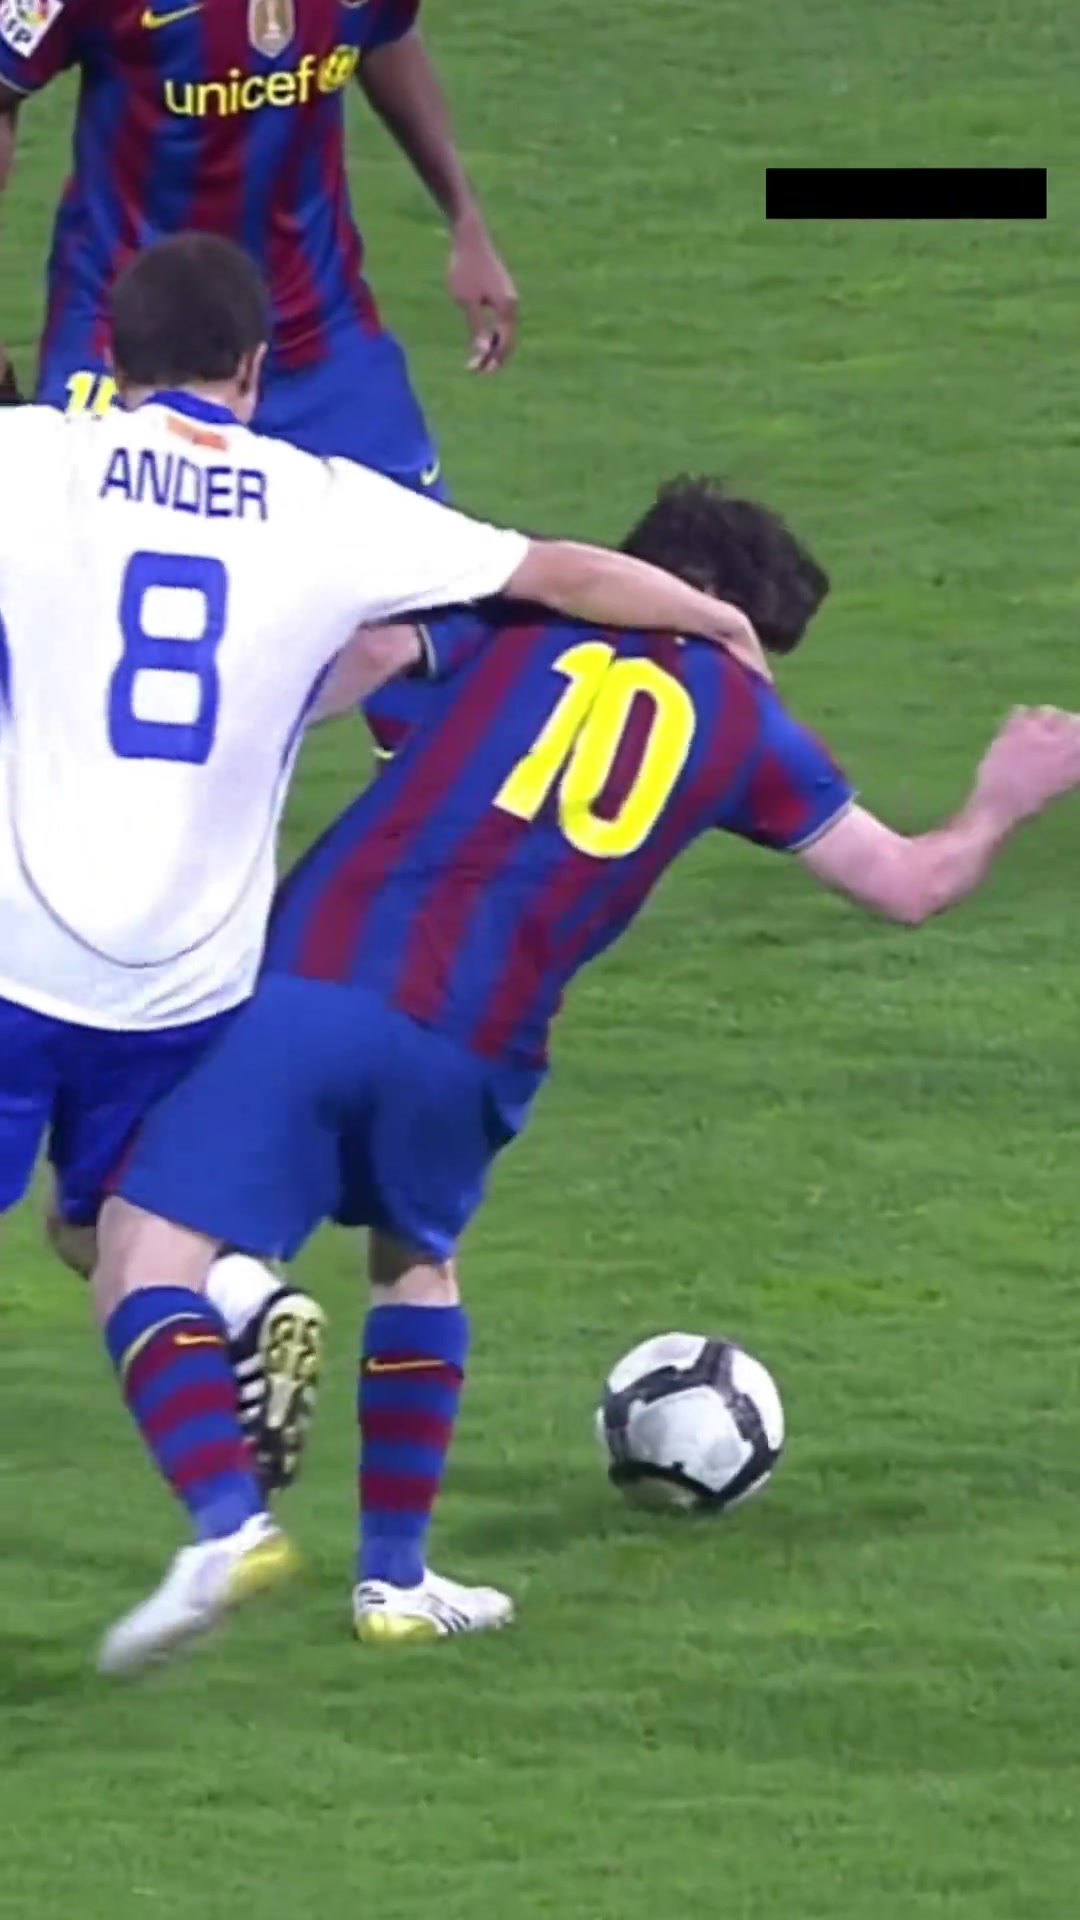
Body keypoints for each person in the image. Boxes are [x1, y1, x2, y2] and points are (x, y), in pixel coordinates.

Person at [95, 475, 1080, 1672]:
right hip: (480, 1043)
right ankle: (395, 1582)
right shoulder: (746, 724)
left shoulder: (522, 614)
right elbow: (910, 886)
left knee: (143, 1242)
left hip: (325, 972)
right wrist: (999, 802)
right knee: (416, 1263)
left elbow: (368, 652)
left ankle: (228, 1524)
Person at [0, 228, 768, 1615]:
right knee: (108, 1227)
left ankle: (236, 1360)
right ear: (255, 369)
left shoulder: (34, 459)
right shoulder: (325, 502)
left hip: (22, 948)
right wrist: (714, 623)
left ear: (109, 357)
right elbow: (553, 572)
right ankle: (243, 1313)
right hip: (190, 979)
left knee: (117, 1245)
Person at [0, 0, 517, 753]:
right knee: (67, 619)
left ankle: (431, 828)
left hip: (317, 336)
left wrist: (466, 218)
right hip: (135, 341)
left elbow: (387, 35)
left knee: (437, 618)